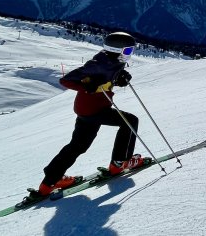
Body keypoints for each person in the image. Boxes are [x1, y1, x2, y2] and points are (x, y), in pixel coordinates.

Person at [34, 32, 144, 196]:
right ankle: (119, 163)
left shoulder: (111, 61)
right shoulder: (98, 63)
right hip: (95, 110)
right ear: (116, 49)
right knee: (130, 121)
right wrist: (87, 86)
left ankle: (50, 181)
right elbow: (66, 80)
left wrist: (119, 79)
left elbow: (105, 80)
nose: (129, 54)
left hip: (87, 109)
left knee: (78, 146)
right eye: (128, 51)